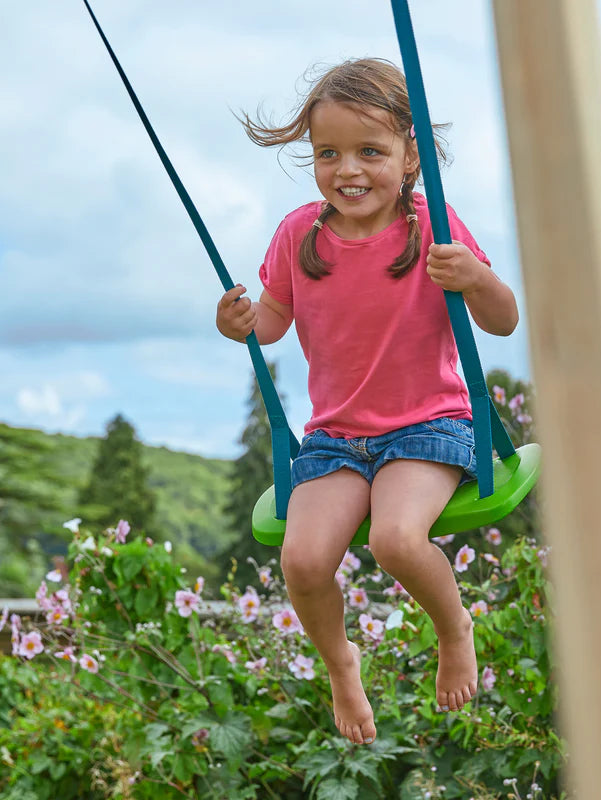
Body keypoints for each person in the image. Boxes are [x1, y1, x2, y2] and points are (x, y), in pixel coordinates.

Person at [216, 58, 518, 746]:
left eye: (370, 152)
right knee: (302, 560)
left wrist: (471, 276)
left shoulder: (434, 225)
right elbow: (269, 323)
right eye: (329, 153)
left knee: (396, 540)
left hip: (429, 426)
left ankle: (454, 629)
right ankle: (341, 663)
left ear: (411, 155)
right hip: (337, 440)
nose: (347, 170)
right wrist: (236, 323)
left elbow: (502, 320)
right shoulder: (299, 235)